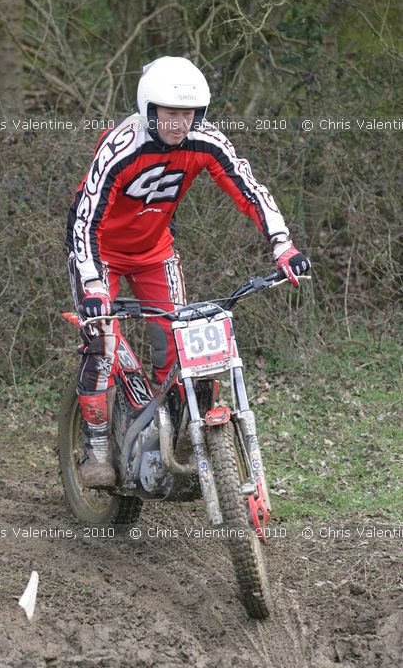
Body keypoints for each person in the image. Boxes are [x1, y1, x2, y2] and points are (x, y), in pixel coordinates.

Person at [66, 56, 310, 489]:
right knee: (102, 341)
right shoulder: (121, 147)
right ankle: (98, 445)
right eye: (171, 112)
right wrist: (90, 285)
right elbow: (84, 221)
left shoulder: (206, 142)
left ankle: (172, 438)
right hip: (99, 253)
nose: (180, 123)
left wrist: (283, 245)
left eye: (188, 113)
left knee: (178, 343)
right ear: (149, 108)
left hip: (154, 251)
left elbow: (248, 188)